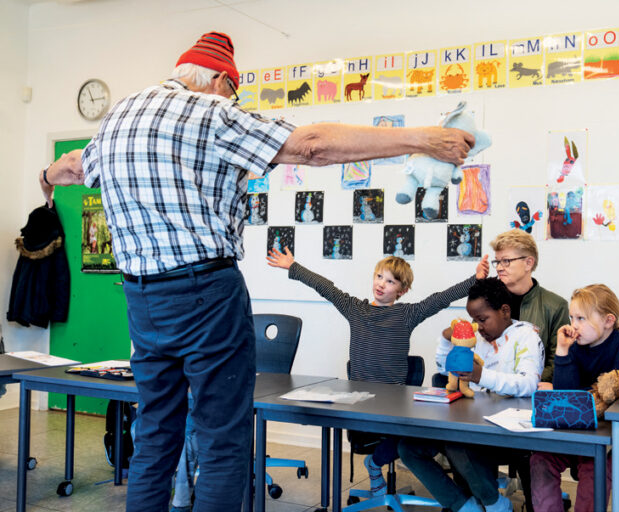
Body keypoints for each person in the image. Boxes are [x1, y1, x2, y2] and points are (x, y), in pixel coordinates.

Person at [39, 31, 475, 512]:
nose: (234, 100)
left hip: (143, 300)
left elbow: (72, 167)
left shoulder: (118, 116)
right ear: (221, 81)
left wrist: (45, 178)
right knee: (223, 438)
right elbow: (310, 146)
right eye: (235, 92)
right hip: (204, 291)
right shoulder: (209, 111)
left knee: (157, 435)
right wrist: (421, 139)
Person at [266, 248, 489, 495]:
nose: (381, 284)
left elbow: (439, 299)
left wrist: (474, 280)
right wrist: (293, 266)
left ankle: (373, 464)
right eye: (379, 277)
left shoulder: (407, 314)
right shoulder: (355, 309)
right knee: (396, 436)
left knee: (424, 434)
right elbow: (325, 287)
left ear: (401, 290)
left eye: (390, 281)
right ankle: (375, 466)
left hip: (394, 403)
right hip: (361, 402)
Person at [398, 277, 544, 512]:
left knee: (457, 443)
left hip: (506, 431)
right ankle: (465, 506)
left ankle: (495, 504)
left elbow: (528, 384)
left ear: (505, 311)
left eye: (483, 319)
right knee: (408, 448)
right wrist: (446, 340)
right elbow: (447, 369)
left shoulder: (526, 336)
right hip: (469, 423)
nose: (479, 327)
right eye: (474, 320)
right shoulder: (478, 339)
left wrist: (480, 376)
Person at [529, 284, 619, 512]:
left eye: (581, 318)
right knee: (540, 460)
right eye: (572, 317)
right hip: (572, 431)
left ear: (608, 320)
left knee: (597, 469)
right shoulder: (574, 345)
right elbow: (566, 397)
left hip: (604, 437)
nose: (574, 325)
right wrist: (562, 351)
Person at [489, 230, 569, 387]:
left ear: (528, 263)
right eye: (497, 262)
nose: (499, 268)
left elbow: (557, 362)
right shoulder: (488, 302)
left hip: (532, 392)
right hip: (491, 388)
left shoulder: (556, 306)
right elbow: (477, 349)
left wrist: (522, 382)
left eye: (506, 261)